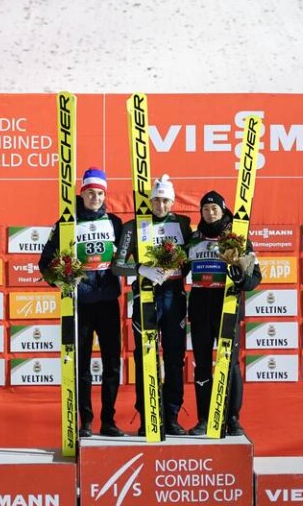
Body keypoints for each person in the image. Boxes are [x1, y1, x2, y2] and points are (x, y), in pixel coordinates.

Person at [39, 167, 124, 438]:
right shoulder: (67, 224)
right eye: (90, 193)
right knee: (82, 363)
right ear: (82, 193)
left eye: (100, 194)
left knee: (112, 363)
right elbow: (45, 263)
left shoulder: (115, 222)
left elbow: (128, 258)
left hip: (109, 301)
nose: (95, 198)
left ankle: (108, 421)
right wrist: (63, 283)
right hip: (81, 304)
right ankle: (85, 422)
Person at [112, 174, 192, 436]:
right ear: (150, 200)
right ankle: (149, 415)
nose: (161, 205)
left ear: (172, 201)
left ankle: (171, 416)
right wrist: (142, 269)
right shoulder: (133, 226)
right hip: (145, 297)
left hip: (174, 298)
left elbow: (190, 261)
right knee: (144, 357)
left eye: (165, 200)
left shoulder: (182, 223)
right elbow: (117, 266)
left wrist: (175, 268)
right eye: (157, 200)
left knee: (174, 358)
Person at [186, 190, 261, 437]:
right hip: (199, 307)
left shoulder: (236, 237)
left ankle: (232, 419)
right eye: (205, 210)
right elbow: (176, 268)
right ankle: (204, 419)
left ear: (223, 210)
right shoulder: (194, 238)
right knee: (202, 365)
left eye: (214, 209)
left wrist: (242, 279)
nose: (209, 213)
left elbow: (255, 277)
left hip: (226, 306)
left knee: (230, 363)